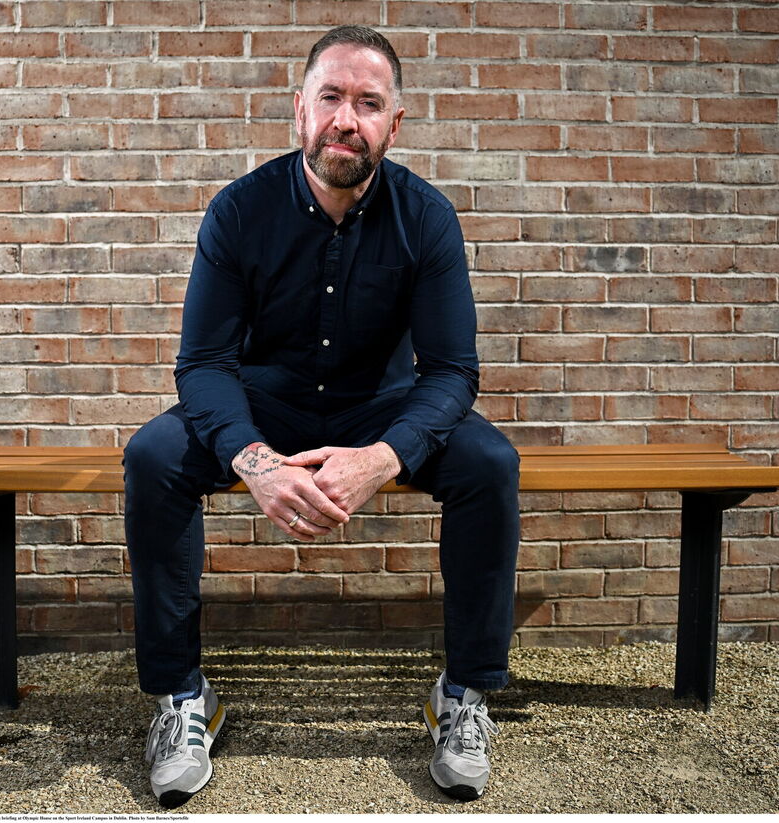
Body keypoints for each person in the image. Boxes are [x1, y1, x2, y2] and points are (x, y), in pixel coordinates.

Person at [123, 25, 520, 807]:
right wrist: (254, 461)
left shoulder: (428, 219)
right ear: (298, 111)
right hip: (263, 404)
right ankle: (180, 698)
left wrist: (384, 456)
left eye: (369, 103)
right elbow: (202, 363)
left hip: (382, 406)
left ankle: (464, 695)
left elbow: (450, 372)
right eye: (332, 97)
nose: (348, 117)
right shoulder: (238, 212)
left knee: (488, 463)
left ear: (393, 126)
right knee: (154, 456)